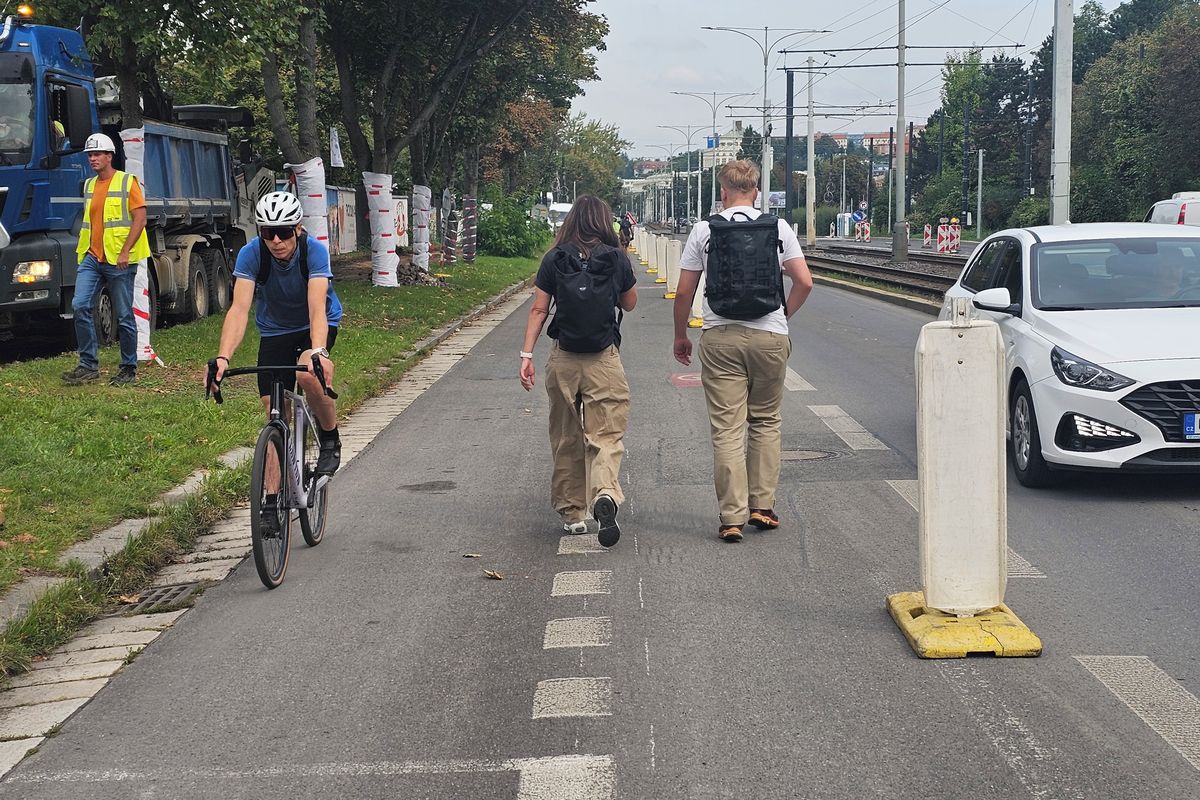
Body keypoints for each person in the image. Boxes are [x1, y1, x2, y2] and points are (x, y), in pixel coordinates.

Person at [672, 160, 814, 542]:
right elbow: (804, 282)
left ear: (723, 192)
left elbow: (685, 292)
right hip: (770, 335)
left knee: (727, 428)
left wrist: (680, 334)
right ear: (755, 191)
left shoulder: (704, 230)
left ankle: (731, 517)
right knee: (765, 421)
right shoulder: (778, 227)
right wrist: (784, 314)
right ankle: (762, 507)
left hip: (721, 338)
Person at [208, 191, 344, 504]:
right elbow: (239, 310)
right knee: (273, 409)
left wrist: (318, 351)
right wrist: (223, 357)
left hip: (315, 324)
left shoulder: (314, 253)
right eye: (268, 233)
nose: (276, 241)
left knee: (310, 375)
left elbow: (316, 308)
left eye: (284, 232)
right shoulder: (251, 254)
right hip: (275, 330)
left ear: (298, 229)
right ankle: (271, 499)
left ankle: (329, 438)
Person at [519, 195, 638, 547]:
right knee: (606, 436)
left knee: (566, 437)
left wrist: (526, 354)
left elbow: (539, 310)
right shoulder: (615, 258)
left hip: (564, 359)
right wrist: (621, 263)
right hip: (604, 359)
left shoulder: (554, 258)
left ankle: (573, 514)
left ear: (571, 221)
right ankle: (604, 493)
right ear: (604, 221)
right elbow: (629, 304)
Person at [62, 133, 150, 386]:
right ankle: (88, 365)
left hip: (119, 260)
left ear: (109, 156)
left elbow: (140, 219)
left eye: (97, 154)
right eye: (90, 155)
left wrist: (124, 252)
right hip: (92, 256)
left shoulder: (126, 182)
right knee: (80, 306)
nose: (93, 158)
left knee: (124, 315)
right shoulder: (89, 185)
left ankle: (128, 368)